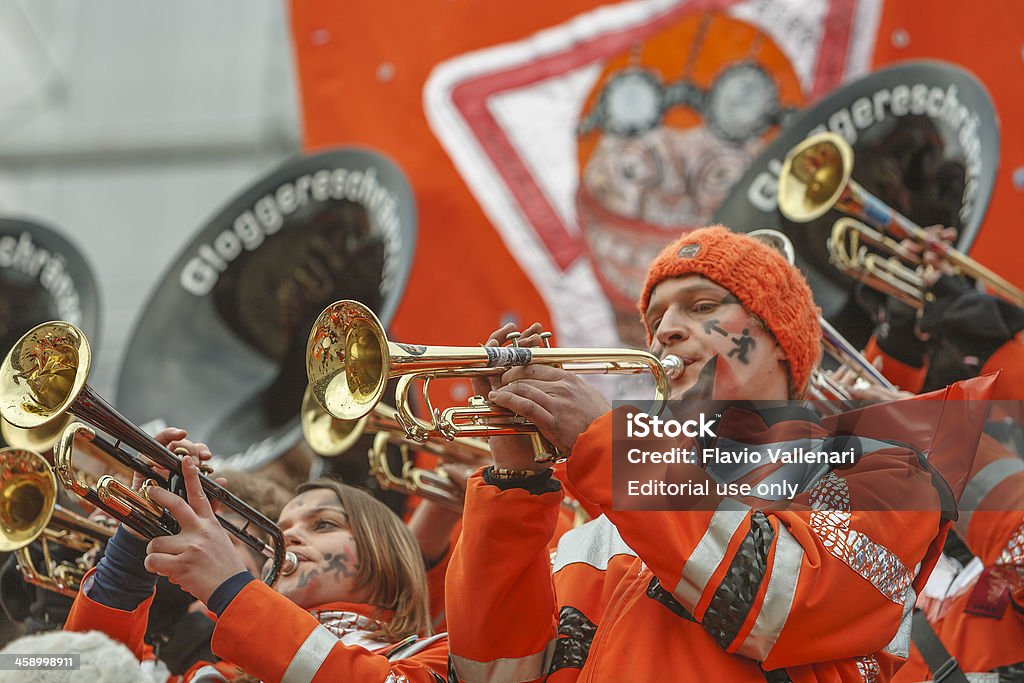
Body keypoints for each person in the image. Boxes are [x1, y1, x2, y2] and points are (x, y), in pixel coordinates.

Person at [445, 225, 970, 681]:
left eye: (702, 307)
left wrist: (615, 447)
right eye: (657, 320)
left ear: (777, 338)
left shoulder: (884, 471)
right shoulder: (601, 521)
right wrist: (515, 485)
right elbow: (492, 673)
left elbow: (778, 603)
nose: (666, 331)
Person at [63, 432, 448, 682]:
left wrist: (233, 591)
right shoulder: (216, 675)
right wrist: (131, 545)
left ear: (389, 553)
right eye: (282, 529)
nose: (291, 535)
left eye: (324, 525)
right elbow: (72, 673)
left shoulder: (435, 658)